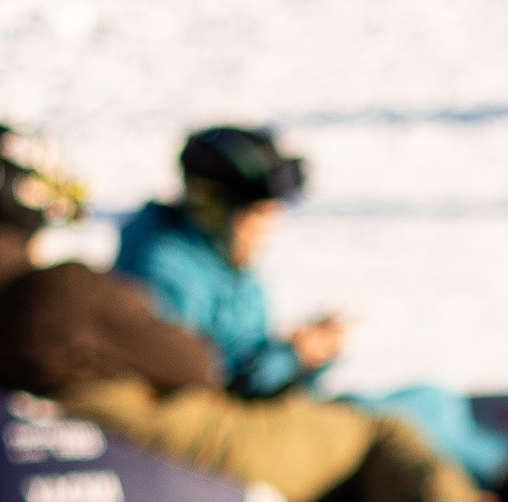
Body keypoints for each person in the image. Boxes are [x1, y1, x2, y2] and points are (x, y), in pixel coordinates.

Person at [0, 127, 508, 502]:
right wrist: (291, 355)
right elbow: (198, 367)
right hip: (154, 428)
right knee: (375, 428)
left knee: (372, 417)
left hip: (117, 422)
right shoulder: (65, 292)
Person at [116, 126, 341, 401]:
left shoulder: (223, 259)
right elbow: (201, 392)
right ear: (208, 203)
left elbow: (243, 357)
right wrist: (290, 358)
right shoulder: (165, 274)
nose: (267, 230)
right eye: (258, 214)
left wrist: (301, 356)